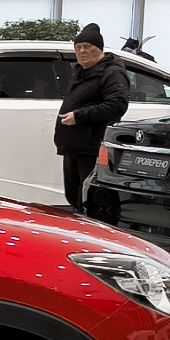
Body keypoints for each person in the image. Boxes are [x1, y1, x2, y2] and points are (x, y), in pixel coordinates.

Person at [55, 23, 128, 213]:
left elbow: (117, 105)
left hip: (92, 146)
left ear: (99, 49)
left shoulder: (111, 72)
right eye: (78, 47)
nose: (82, 51)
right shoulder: (81, 71)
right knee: (74, 195)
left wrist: (79, 116)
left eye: (87, 47)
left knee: (88, 199)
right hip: (74, 145)